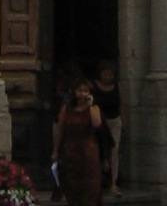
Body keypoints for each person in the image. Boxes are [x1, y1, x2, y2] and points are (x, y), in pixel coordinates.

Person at [52, 74, 104, 206]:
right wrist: (55, 150)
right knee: (72, 187)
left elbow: (97, 124)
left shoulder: (94, 109)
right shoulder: (67, 108)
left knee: (90, 189)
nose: (82, 94)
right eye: (80, 90)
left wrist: (90, 105)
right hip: (70, 151)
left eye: (85, 91)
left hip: (88, 152)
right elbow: (59, 129)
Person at [91, 60, 123, 195]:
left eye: (110, 74)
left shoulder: (117, 87)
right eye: (105, 73)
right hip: (99, 123)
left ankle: (113, 183)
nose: (108, 77)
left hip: (114, 121)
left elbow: (121, 104)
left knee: (114, 151)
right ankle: (96, 182)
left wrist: (123, 120)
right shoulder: (93, 86)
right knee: (97, 150)